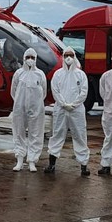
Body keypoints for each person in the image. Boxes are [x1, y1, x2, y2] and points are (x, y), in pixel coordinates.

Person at [44, 46, 90, 176]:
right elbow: (55, 91)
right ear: (63, 57)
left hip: (77, 111)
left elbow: (84, 92)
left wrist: (74, 104)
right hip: (61, 109)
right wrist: (63, 104)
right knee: (57, 135)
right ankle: (51, 164)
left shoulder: (81, 74)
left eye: (71, 55)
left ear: (74, 57)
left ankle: (83, 166)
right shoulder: (58, 74)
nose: (68, 58)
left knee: (80, 136)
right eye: (66, 55)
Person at [10, 48, 47, 172]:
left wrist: (36, 104)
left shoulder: (40, 74)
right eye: (28, 57)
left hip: (36, 109)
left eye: (32, 57)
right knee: (19, 132)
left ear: (35, 59)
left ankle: (32, 160)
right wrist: (19, 103)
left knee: (35, 133)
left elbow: (44, 92)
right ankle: (19, 160)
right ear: (24, 58)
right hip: (20, 109)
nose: (30, 60)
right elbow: (13, 91)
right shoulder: (18, 73)